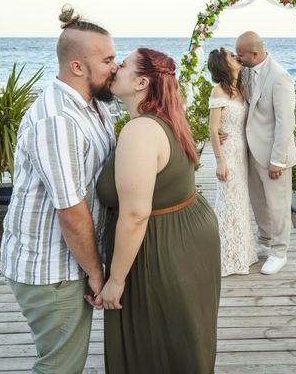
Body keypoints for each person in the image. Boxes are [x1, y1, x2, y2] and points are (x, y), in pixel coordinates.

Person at [0, 5, 117, 374]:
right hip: (53, 271)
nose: (116, 66)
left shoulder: (93, 104)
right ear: (77, 67)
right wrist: (97, 274)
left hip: (70, 263)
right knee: (60, 367)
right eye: (108, 59)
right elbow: (71, 210)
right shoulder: (58, 121)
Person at [95, 47, 221, 373]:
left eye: (121, 65)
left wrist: (116, 280)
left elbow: (136, 214)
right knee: (181, 337)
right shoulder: (166, 119)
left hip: (160, 247)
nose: (114, 70)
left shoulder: (140, 131)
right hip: (185, 236)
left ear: (140, 82)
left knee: (156, 344)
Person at [234, 31, 296, 275]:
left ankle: (280, 252)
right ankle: (266, 241)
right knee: (258, 201)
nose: (238, 59)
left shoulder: (280, 78)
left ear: (255, 53)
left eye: (241, 55)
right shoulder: (246, 71)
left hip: (273, 154)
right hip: (251, 149)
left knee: (278, 206)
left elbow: (285, 122)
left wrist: (277, 160)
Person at [207, 47, 258, 276]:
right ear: (223, 64)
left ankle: (243, 252)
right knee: (228, 202)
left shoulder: (240, 87)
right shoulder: (218, 92)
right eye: (230, 56)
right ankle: (226, 255)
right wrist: (220, 162)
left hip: (242, 151)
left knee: (240, 202)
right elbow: (213, 128)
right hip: (228, 153)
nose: (236, 57)